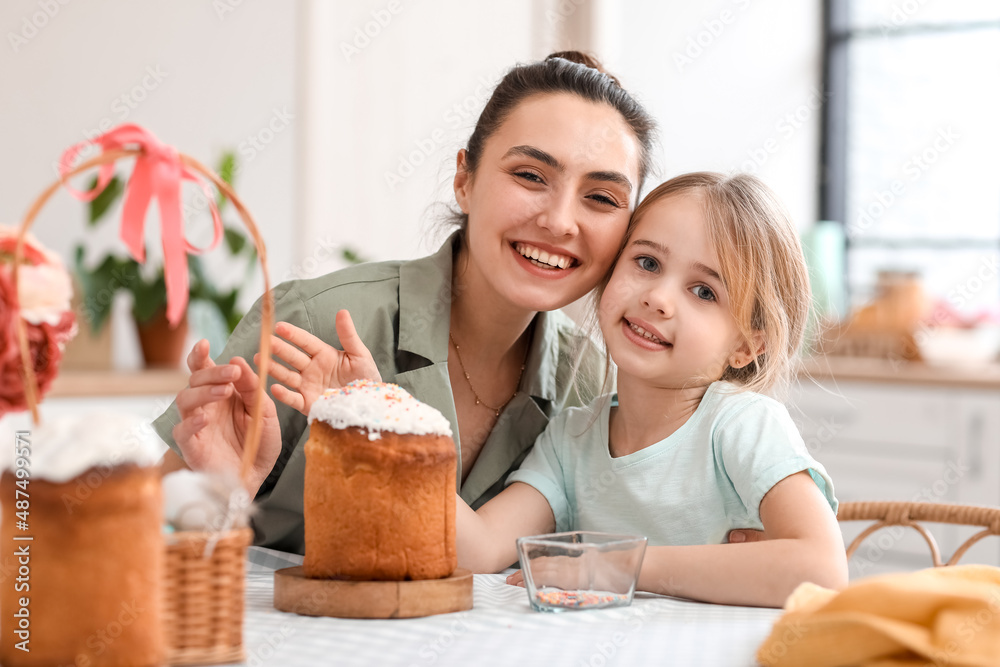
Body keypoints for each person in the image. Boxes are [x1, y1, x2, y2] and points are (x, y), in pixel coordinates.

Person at [152, 51, 658, 553]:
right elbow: (151, 538)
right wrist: (223, 495)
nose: (560, 221)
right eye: (530, 175)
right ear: (465, 179)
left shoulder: (589, 384)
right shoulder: (310, 323)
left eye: (602, 198)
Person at [455, 172, 848, 608]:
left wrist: (619, 565)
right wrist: (376, 405)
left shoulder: (740, 425)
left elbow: (822, 571)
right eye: (647, 263)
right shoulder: (571, 440)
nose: (658, 298)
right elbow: (477, 549)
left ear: (745, 346)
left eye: (704, 291)